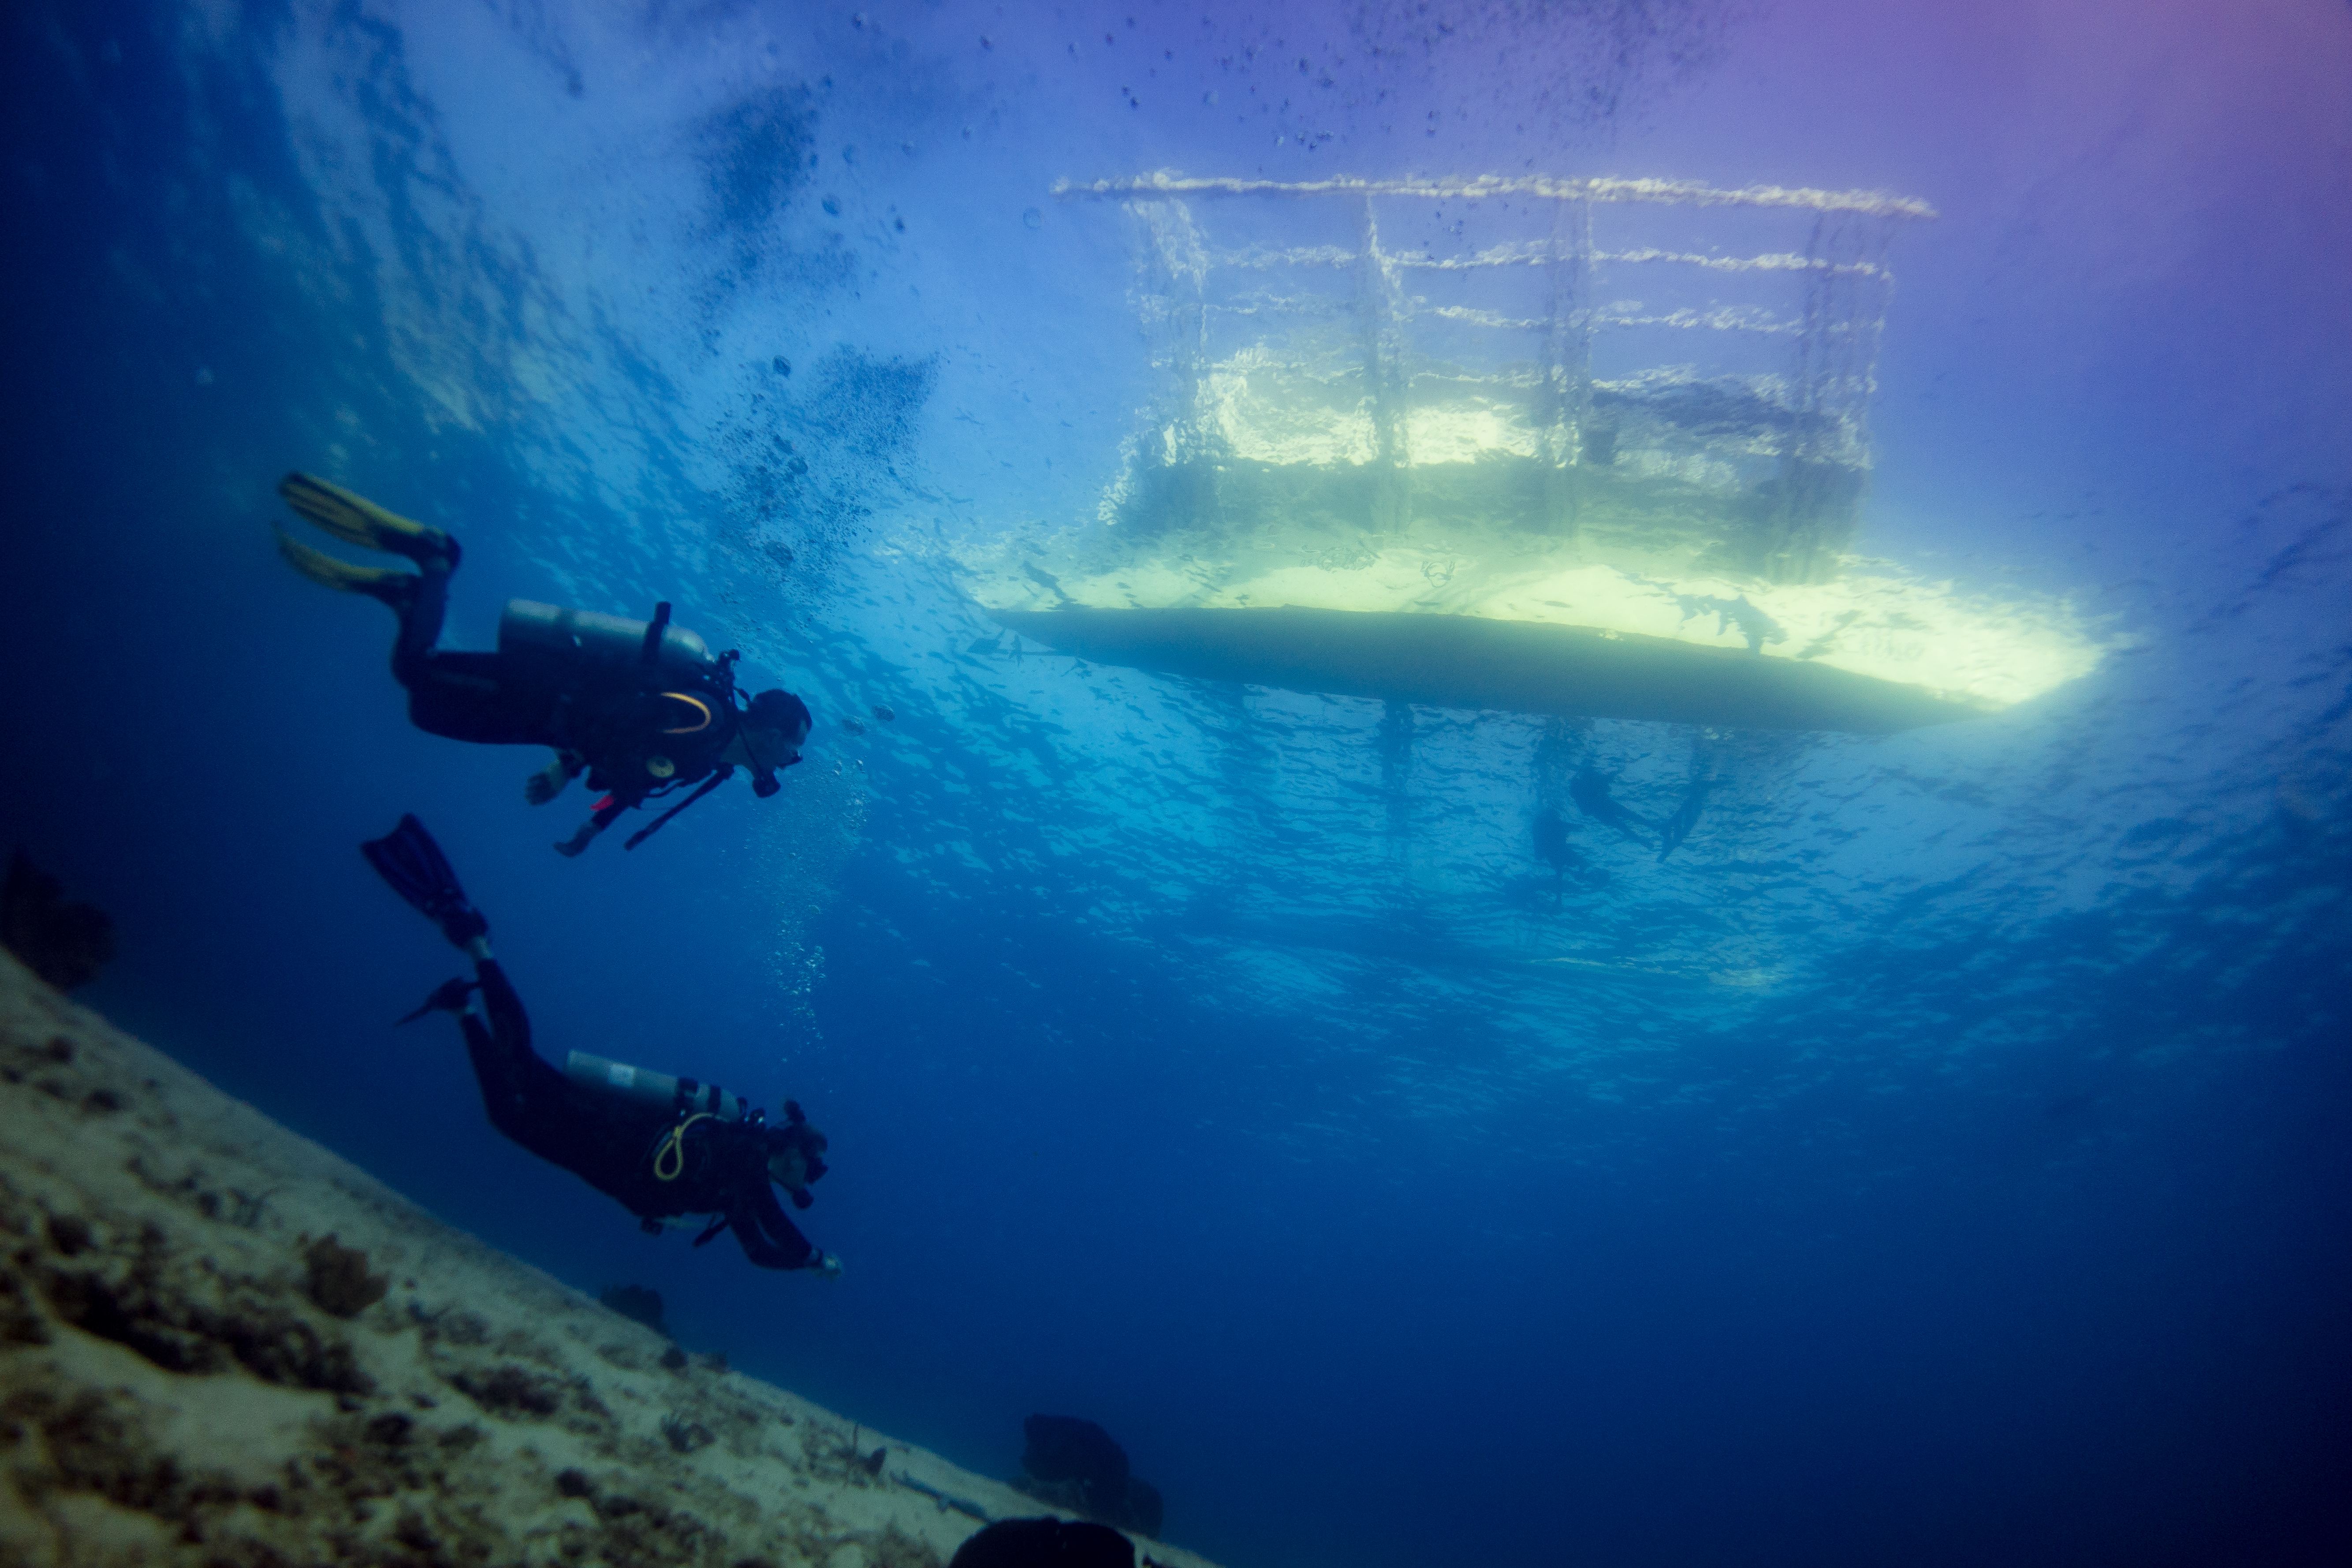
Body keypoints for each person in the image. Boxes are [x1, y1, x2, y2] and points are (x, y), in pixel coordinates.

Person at [363, 812, 841, 1276]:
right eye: (813, 1173)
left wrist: (656, 1209)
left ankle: (462, 1009)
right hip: (608, 1131)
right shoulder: (748, 1161)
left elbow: (758, 1248)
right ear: (796, 1154)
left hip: (603, 1160)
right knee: (523, 1070)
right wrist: (816, 1258)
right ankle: (477, 945)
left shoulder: (744, 1180)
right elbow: (773, 1232)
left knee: (508, 1115)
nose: (808, 1185)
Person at [276, 472, 812, 857]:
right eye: (795, 745)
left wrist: (592, 829)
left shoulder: (710, 758)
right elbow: (621, 715)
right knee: (415, 673)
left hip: (533, 721)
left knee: (423, 710)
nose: (793, 759)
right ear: (769, 730)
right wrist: (566, 767)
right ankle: (434, 559)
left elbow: (636, 782)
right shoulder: (705, 716)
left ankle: (404, 593)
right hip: (538, 693)